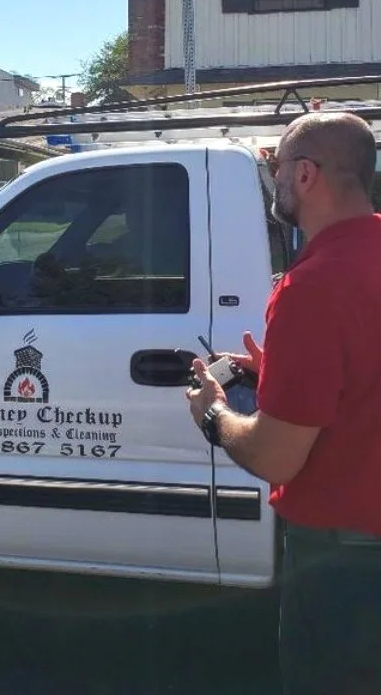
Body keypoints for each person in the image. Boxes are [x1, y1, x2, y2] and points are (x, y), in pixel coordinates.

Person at [186, 111, 381, 695]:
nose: (274, 183)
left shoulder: (313, 287)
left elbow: (276, 458)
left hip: (345, 568)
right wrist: (280, 376)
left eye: (277, 170)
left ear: (304, 174)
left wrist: (215, 416)